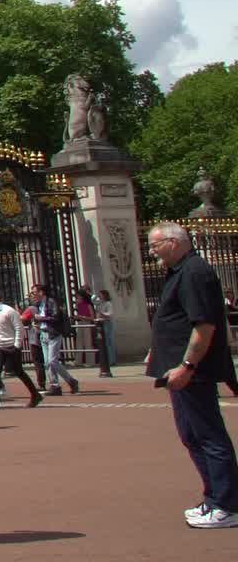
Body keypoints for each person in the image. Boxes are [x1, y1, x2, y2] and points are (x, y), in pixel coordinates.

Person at [146, 222, 238, 528]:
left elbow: (204, 325)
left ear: (174, 242)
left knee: (208, 435)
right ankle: (215, 497)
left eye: (155, 245)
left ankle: (227, 503)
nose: (151, 251)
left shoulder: (194, 272)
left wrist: (188, 365)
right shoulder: (182, 272)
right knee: (192, 435)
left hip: (191, 372)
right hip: (179, 369)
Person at [0, 291, 42, 409]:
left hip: (12, 346)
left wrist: (17, 345)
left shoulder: (9, 311)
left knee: (18, 371)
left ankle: (35, 394)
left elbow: (19, 328)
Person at [22, 285, 80, 396]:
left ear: (41, 292)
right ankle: (58, 384)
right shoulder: (38, 304)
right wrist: (37, 321)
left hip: (53, 334)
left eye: (34, 292)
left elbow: (55, 317)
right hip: (43, 334)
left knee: (52, 361)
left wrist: (41, 319)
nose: (33, 295)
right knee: (49, 362)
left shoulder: (51, 302)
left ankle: (64, 383)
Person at [93, 288, 116, 378]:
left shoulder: (108, 303)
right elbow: (93, 300)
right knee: (104, 343)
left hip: (107, 323)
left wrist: (102, 313)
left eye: (101, 295)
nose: (100, 296)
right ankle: (106, 360)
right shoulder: (100, 303)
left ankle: (111, 360)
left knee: (109, 342)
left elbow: (110, 314)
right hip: (101, 323)